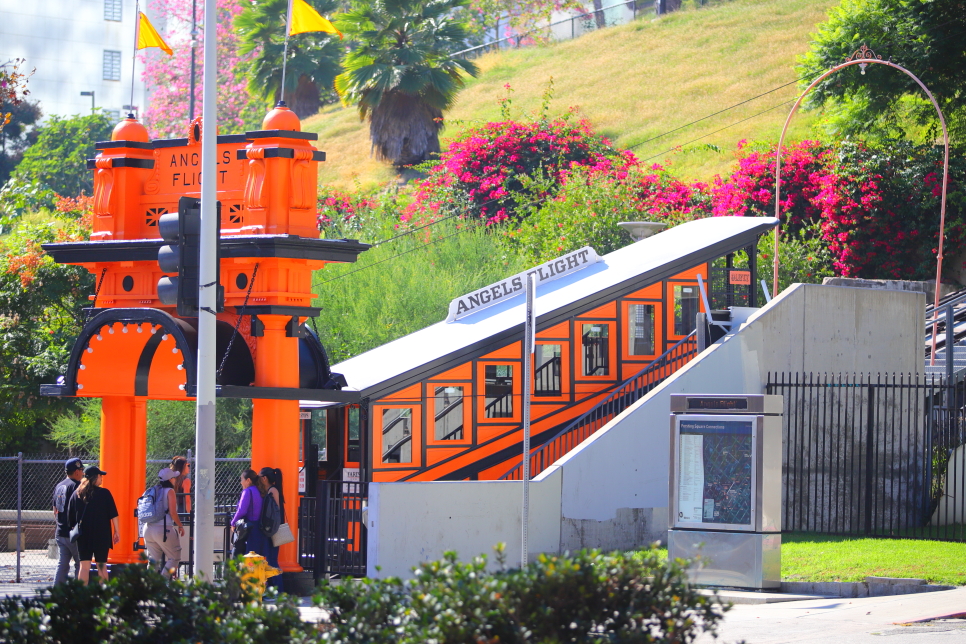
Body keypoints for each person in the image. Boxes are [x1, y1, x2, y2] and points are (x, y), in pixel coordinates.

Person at [67, 466, 119, 585]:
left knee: (84, 567)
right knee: (102, 566)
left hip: (83, 536)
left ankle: (82, 595)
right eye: (100, 476)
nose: (102, 479)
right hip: (102, 535)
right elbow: (114, 514)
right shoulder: (105, 493)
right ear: (95, 478)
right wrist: (117, 531)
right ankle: (103, 596)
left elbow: (70, 519)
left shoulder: (77, 494)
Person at [142, 468, 185, 579]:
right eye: (174, 477)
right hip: (163, 529)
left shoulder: (153, 490)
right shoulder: (170, 491)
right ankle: (162, 582)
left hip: (148, 528)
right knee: (174, 558)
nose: (175, 479)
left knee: (153, 560)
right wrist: (180, 525)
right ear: (170, 479)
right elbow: (173, 512)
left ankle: (149, 586)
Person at [52, 458, 84, 584]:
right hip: (73, 533)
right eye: (81, 470)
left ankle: (57, 593)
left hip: (60, 532)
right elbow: (79, 509)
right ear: (76, 471)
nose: (82, 473)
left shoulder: (59, 485)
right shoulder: (77, 486)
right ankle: (77, 594)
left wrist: (60, 523)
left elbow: (54, 509)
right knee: (80, 564)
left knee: (63, 564)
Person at [258, 467, 285, 591]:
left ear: (264, 478)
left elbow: (274, 512)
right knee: (271, 559)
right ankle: (274, 588)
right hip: (274, 529)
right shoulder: (274, 489)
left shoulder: (272, 490)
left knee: (272, 560)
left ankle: (278, 589)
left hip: (273, 529)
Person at [230, 469, 266, 558]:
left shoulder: (247, 491)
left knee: (247, 556)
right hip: (259, 527)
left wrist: (233, 522)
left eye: (242, 479)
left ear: (248, 480)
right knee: (256, 556)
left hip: (249, 527)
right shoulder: (260, 490)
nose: (241, 482)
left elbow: (242, 510)